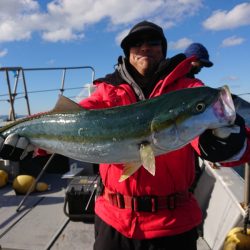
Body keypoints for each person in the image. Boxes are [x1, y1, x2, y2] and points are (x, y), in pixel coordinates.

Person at [0, 21, 249, 250]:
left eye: (153, 42)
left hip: (173, 223)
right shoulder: (107, 92)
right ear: (128, 52)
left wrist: (227, 143)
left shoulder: (189, 91)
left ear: (163, 49)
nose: (144, 48)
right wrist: (25, 139)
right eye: (136, 43)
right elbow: (71, 120)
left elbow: (223, 143)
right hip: (114, 220)